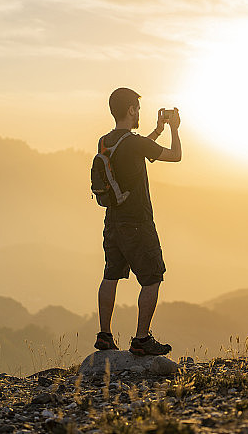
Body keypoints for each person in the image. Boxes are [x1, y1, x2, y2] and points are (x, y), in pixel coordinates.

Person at [94, 87, 181, 355]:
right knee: (152, 278)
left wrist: (157, 130)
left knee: (111, 274)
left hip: (113, 221)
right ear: (131, 109)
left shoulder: (105, 141)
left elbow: (135, 149)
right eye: (138, 108)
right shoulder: (134, 143)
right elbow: (175, 155)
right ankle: (142, 339)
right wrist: (174, 129)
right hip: (138, 222)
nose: (139, 112)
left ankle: (105, 336)